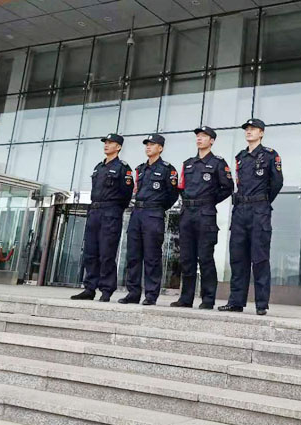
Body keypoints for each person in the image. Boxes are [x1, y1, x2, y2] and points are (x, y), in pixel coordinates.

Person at [219, 118, 283, 316]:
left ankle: (261, 304)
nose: (249, 131)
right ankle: (236, 301)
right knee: (238, 258)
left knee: (260, 258)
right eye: (247, 129)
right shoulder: (240, 157)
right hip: (240, 211)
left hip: (259, 211)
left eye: (253, 129)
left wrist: (262, 201)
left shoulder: (270, 155)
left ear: (261, 133)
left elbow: (277, 183)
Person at [171, 126, 233, 310]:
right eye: (198, 136)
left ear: (211, 141)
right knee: (186, 258)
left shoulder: (218, 163)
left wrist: (210, 201)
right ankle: (186, 298)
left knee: (205, 257)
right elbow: (181, 188)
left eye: (203, 136)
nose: (199, 138)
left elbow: (228, 187)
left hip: (205, 214)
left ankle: (208, 299)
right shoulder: (188, 164)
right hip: (187, 214)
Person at [71, 133, 134, 302]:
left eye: (110, 143)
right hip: (94, 212)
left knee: (107, 252)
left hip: (110, 213)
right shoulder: (98, 167)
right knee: (90, 252)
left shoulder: (123, 168)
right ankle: (89, 288)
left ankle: (106, 289)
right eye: (105, 142)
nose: (106, 145)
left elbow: (126, 194)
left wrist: (114, 209)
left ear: (118, 147)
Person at [119, 134, 179, 306]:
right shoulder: (140, 169)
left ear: (160, 148)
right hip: (137, 213)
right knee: (133, 256)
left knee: (152, 257)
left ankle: (151, 295)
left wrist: (158, 207)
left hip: (153, 214)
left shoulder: (167, 169)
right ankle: (133, 293)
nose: (148, 147)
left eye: (152, 144)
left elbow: (172, 195)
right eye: (147, 144)